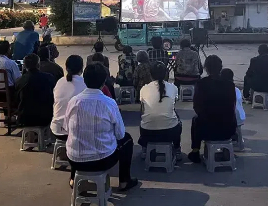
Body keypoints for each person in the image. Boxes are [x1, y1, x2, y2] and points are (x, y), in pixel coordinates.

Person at [64, 63, 138, 191]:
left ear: (85, 80)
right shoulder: (109, 103)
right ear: (104, 82)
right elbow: (120, 134)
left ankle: (73, 179)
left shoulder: (73, 101)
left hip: (74, 160)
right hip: (102, 160)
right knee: (127, 140)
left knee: (75, 139)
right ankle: (124, 180)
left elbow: (67, 128)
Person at [188, 55, 236, 163]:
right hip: (228, 130)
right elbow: (232, 106)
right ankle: (226, 148)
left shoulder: (201, 84)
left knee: (196, 120)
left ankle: (195, 151)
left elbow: (197, 107)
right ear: (221, 67)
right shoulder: (230, 84)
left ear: (206, 68)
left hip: (207, 130)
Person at [139, 62, 182, 160]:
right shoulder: (173, 88)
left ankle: (145, 149)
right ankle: (177, 149)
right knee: (177, 119)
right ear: (166, 74)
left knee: (143, 118)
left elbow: (142, 110)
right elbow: (173, 104)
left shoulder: (144, 89)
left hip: (148, 133)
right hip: (169, 133)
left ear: (151, 75)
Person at [51, 55, 86, 140]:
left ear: (66, 68)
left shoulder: (60, 82)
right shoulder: (85, 83)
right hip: (76, 131)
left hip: (57, 129)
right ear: (82, 69)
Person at [16, 53, 56, 127]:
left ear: (24, 66)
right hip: (45, 117)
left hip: (25, 118)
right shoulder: (49, 77)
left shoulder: (20, 80)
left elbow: (17, 99)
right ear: (38, 65)